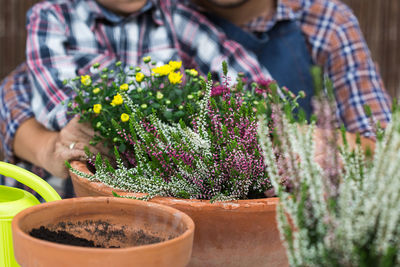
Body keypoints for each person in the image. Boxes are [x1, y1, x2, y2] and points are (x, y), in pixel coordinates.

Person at [0, 0, 391, 195]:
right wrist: (49, 143)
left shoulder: (323, 21)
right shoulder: (163, 12)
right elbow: (23, 87)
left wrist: (291, 137)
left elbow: (383, 153)